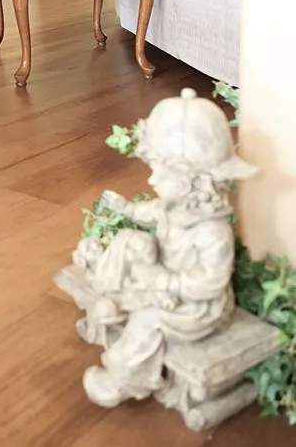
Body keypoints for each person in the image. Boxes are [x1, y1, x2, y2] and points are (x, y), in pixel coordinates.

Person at [74, 89, 256, 408]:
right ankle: (112, 292)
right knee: (132, 241)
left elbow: (211, 282)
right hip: (168, 280)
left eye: (164, 173)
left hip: (197, 308)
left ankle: (124, 378)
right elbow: (151, 212)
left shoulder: (212, 230)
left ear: (194, 181)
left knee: (149, 320)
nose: (154, 180)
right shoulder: (174, 207)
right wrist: (127, 209)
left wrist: (164, 282)